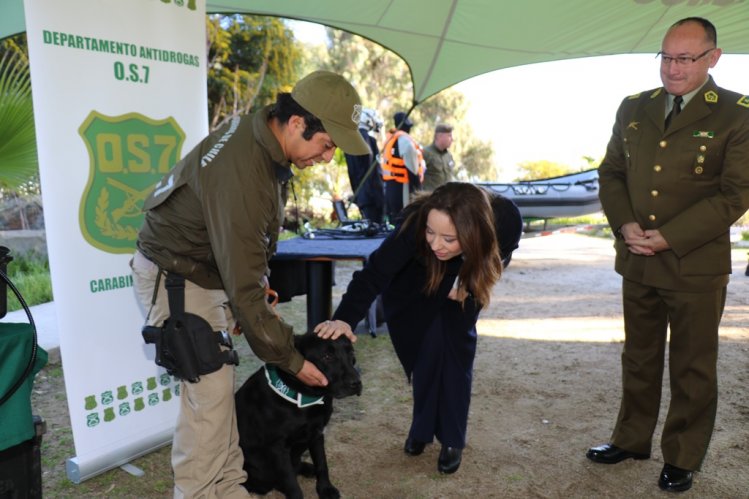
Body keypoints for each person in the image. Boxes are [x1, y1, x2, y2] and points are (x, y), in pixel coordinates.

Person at [130, 70, 369, 498]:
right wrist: (293, 361)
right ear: (298, 123)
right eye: (328, 144)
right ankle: (202, 492)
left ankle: (228, 488)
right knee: (211, 403)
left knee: (215, 403)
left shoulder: (264, 141)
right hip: (179, 279)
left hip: (205, 273)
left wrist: (258, 285)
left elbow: (245, 251)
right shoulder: (243, 167)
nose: (328, 157)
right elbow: (242, 285)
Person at [588, 17, 749, 493]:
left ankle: (682, 455)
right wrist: (624, 225)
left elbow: (734, 195)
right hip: (637, 258)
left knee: (692, 364)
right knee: (638, 357)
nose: (672, 69)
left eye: (685, 59)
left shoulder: (737, 115)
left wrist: (670, 236)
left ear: (712, 58)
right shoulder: (633, 107)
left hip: (693, 263)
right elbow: (611, 172)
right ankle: (632, 439)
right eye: (666, 57)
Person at [315, 182, 509, 475]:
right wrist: (344, 318)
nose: (436, 244)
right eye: (431, 232)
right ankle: (421, 429)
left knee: (457, 354)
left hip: (466, 282)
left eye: (449, 238)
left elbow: (501, 253)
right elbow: (374, 274)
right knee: (425, 353)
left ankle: (452, 440)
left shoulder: (505, 218)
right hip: (415, 284)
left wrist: (469, 279)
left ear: (474, 232)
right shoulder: (413, 225)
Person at [381, 111, 425, 220]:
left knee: (394, 219)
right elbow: (412, 169)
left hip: (391, 186)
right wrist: (418, 191)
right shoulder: (404, 141)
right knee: (405, 218)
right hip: (403, 186)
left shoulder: (391, 139)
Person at [344, 108, 385, 223]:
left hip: (362, 195)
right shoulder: (367, 139)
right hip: (372, 196)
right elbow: (370, 167)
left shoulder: (349, 141)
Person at [421, 123, 455, 191]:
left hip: (447, 198)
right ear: (439, 136)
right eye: (449, 136)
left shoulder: (449, 156)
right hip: (431, 198)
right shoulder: (425, 153)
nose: (452, 139)